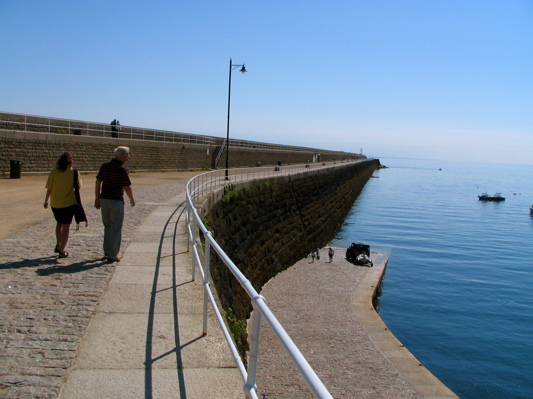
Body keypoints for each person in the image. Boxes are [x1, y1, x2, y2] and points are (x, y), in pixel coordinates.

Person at [94, 146, 135, 262]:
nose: (128, 157)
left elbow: (98, 181)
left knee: (107, 226)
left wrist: (97, 197)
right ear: (121, 155)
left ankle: (107, 250)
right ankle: (112, 255)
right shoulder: (122, 169)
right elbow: (127, 187)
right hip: (116, 200)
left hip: (104, 199)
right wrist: (132, 199)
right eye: (127, 155)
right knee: (116, 228)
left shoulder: (105, 166)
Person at [44, 152, 82, 259]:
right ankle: (62, 250)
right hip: (68, 203)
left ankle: (58, 243)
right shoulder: (74, 172)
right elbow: (78, 187)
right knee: (66, 227)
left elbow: (49, 187)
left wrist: (46, 200)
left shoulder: (54, 172)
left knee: (59, 223)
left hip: (55, 203)